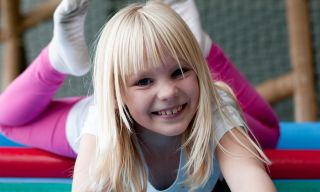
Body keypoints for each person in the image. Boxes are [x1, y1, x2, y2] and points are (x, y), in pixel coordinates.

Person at [0, 0, 278, 191]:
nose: (169, 92)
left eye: (180, 71)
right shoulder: (101, 123)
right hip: (102, 117)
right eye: (144, 81)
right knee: (6, 119)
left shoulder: (213, 106)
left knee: (267, 134)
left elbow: (248, 178)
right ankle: (58, 57)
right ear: (116, 93)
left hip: (205, 104)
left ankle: (200, 46)